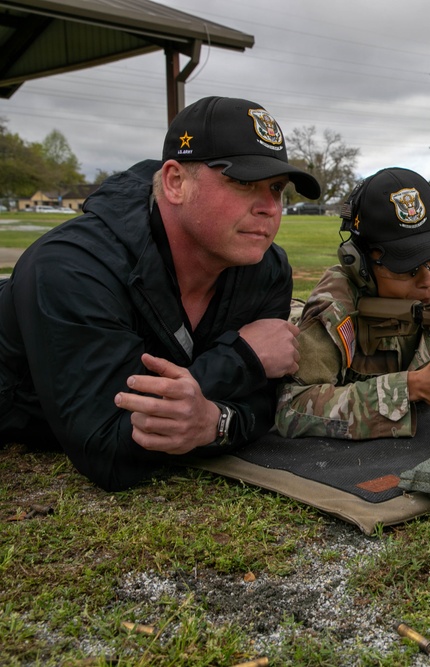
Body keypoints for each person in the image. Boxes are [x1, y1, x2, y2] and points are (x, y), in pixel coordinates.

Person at [0, 96, 321, 491]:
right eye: (242, 182)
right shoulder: (73, 267)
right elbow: (108, 451)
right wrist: (242, 360)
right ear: (175, 182)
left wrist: (212, 423)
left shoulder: (266, 269)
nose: (270, 208)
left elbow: (267, 405)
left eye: (276, 188)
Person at [275, 167, 430, 439]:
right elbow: (292, 408)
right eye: (406, 268)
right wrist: (411, 388)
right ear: (359, 265)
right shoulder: (337, 306)